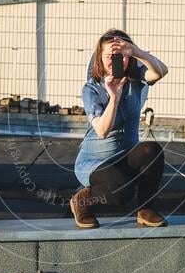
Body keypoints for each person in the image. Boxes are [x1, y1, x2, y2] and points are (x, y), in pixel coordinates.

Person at [71, 29, 169, 229]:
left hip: (126, 155)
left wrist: (136, 51)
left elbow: (161, 71)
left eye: (121, 56)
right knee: (121, 194)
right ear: (99, 57)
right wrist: (114, 97)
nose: (115, 61)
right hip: (95, 162)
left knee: (152, 150)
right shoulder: (92, 89)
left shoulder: (136, 79)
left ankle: (146, 209)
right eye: (109, 56)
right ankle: (81, 201)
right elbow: (102, 131)